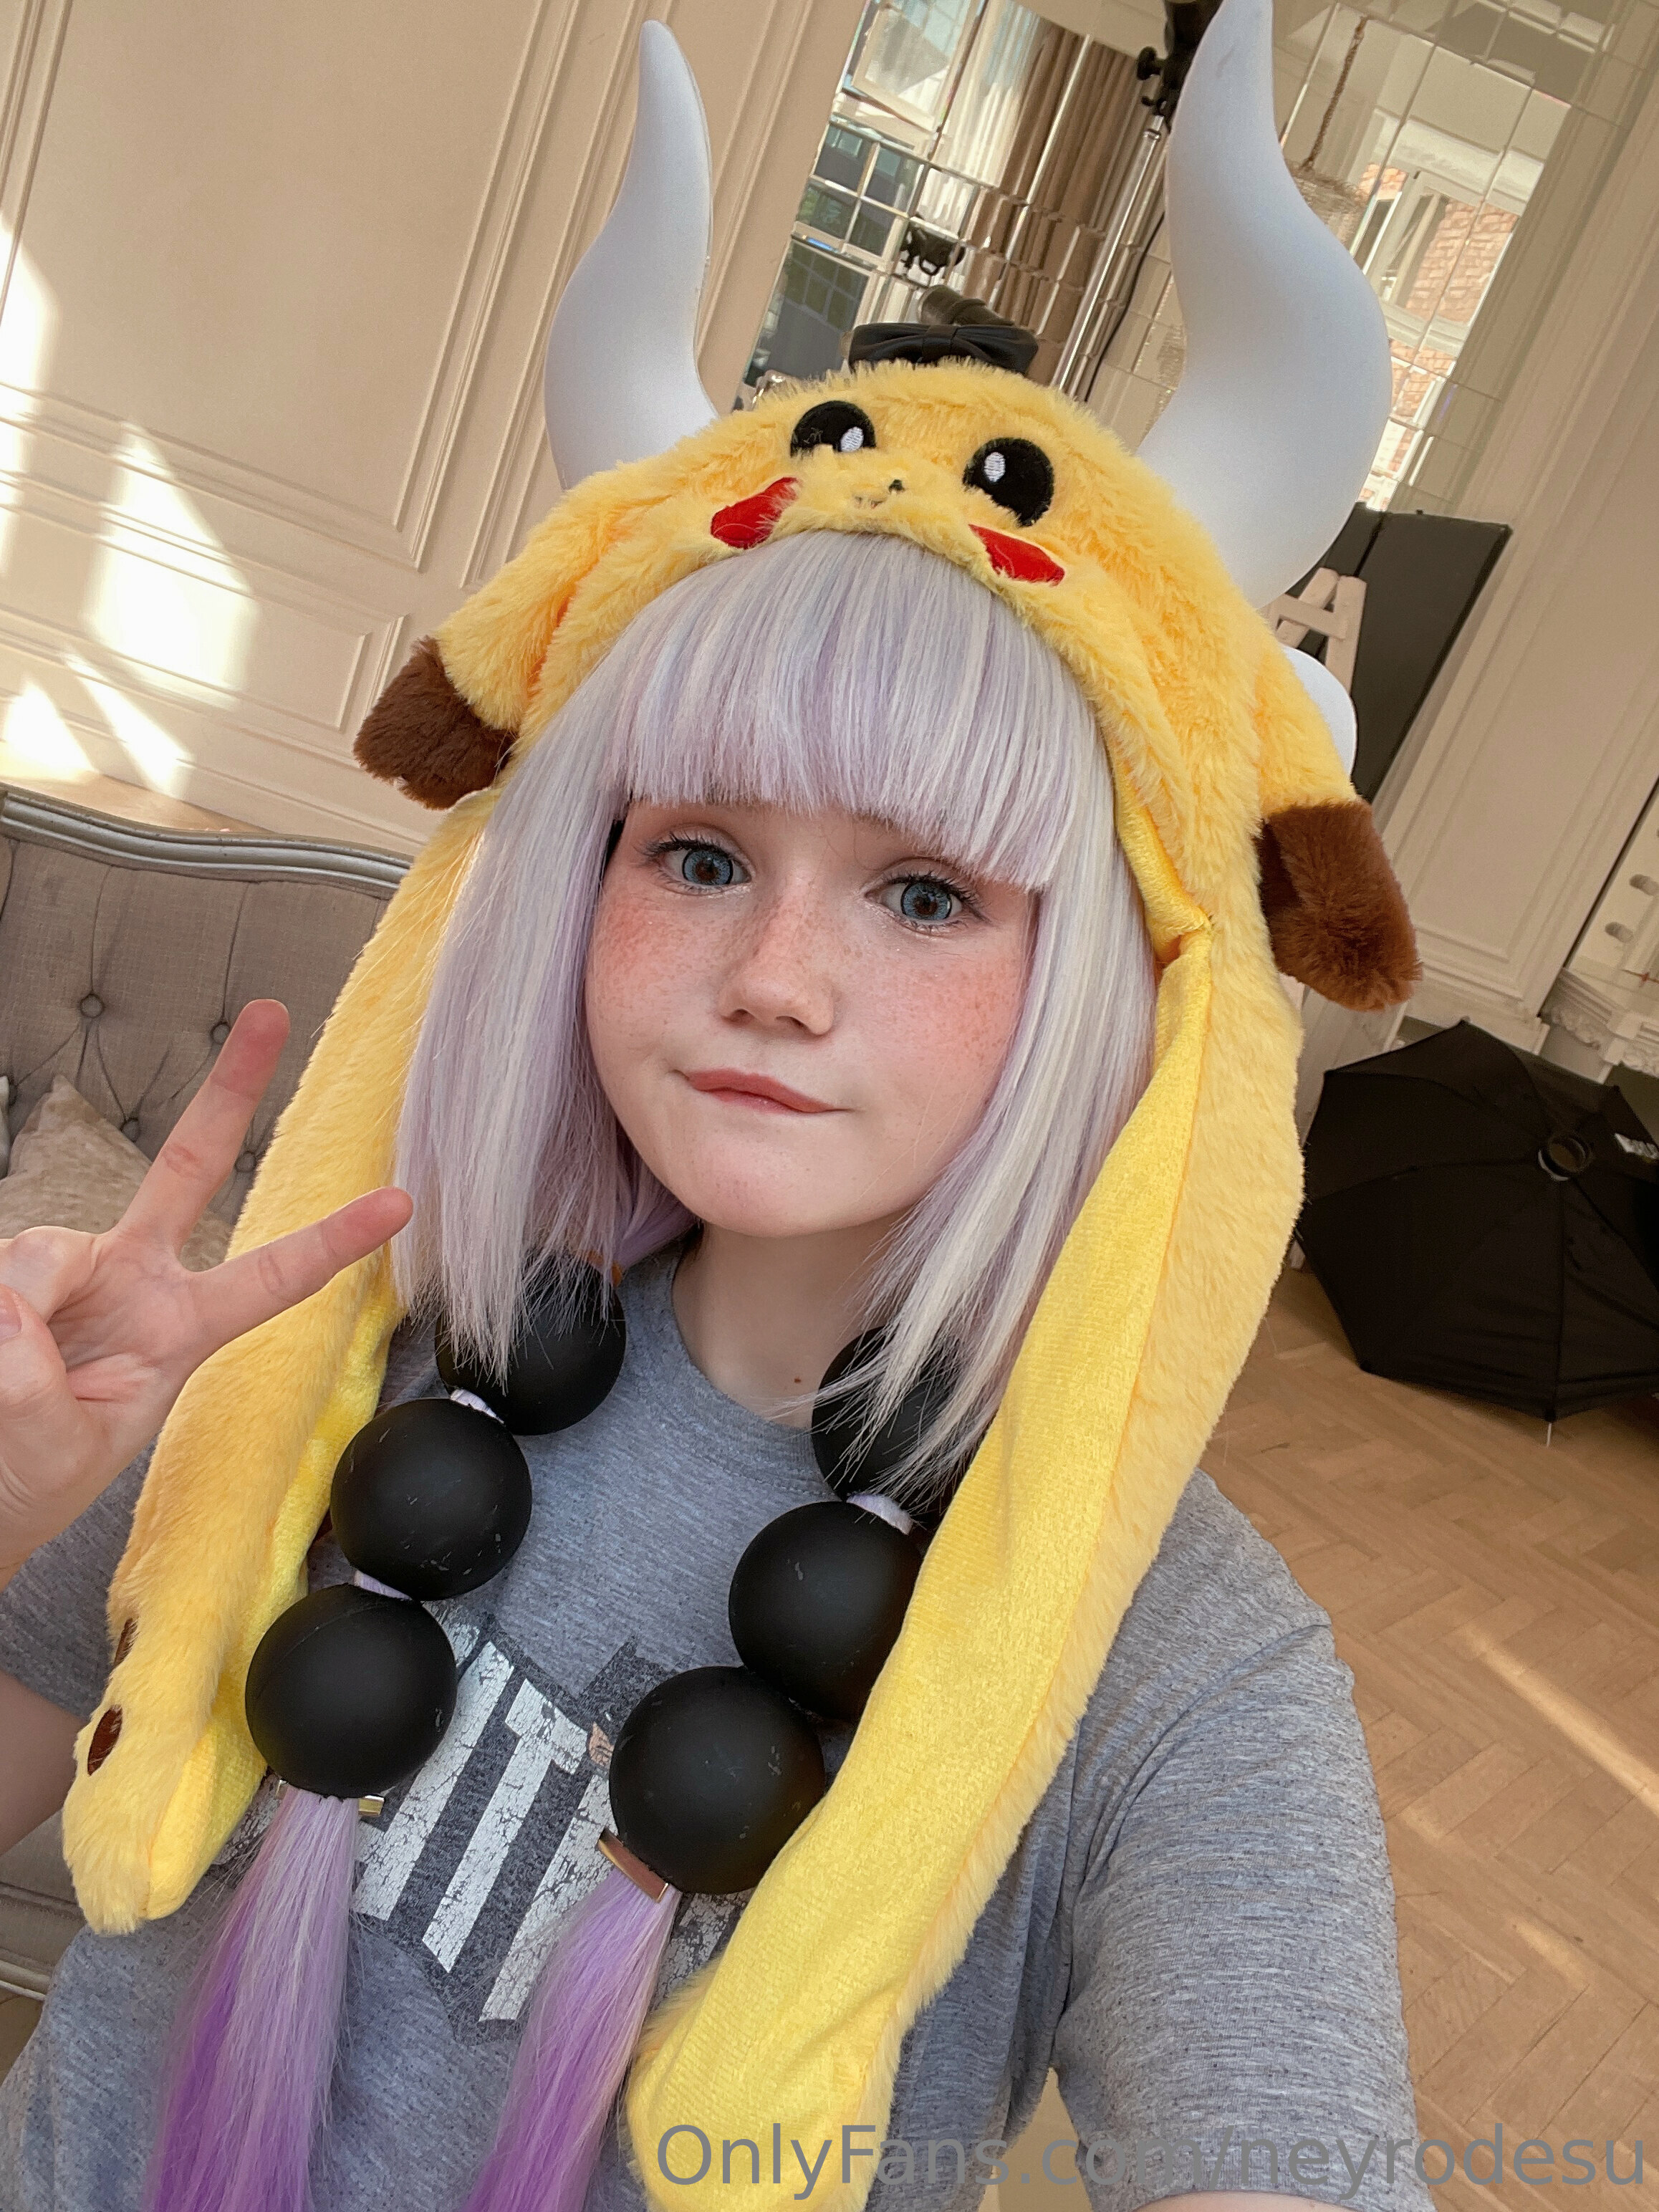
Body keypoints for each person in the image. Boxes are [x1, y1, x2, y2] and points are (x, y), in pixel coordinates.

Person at [0, 6, 1429, 2208]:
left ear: (1108, 985)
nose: (774, 974)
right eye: (694, 854)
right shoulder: (311, 1354)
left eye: (926, 892)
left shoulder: (1173, 1670)